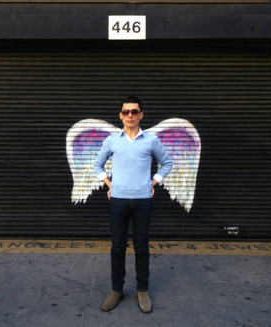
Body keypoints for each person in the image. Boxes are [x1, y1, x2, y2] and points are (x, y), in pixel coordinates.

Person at [94, 95, 173, 313]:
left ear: (141, 115)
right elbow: (98, 165)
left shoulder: (151, 140)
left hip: (142, 201)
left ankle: (143, 290)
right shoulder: (112, 140)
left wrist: (154, 182)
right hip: (118, 200)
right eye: (126, 111)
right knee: (118, 246)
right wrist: (110, 184)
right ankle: (116, 290)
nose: (130, 115)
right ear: (120, 115)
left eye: (134, 111)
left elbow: (166, 163)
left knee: (141, 246)